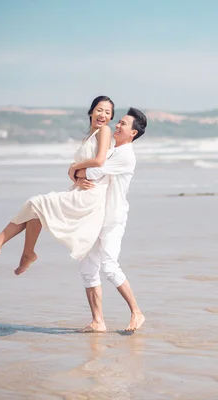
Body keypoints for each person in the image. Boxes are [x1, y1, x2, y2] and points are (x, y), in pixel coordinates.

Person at [0, 95, 115, 275]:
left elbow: (100, 161)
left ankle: (6, 246)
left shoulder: (105, 131)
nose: (103, 115)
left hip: (89, 195)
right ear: (91, 111)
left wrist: (74, 167)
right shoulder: (90, 136)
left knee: (35, 203)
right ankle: (20, 251)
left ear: (111, 117)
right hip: (81, 188)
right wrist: (76, 176)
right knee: (34, 208)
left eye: (107, 112)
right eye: (99, 110)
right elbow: (87, 169)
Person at [74, 107, 147, 332]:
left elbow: (93, 173)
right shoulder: (115, 150)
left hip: (113, 219)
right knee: (88, 267)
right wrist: (78, 174)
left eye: (124, 124)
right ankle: (98, 321)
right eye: (120, 122)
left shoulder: (126, 156)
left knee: (109, 266)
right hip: (97, 215)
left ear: (133, 133)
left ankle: (137, 312)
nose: (117, 125)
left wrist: (73, 169)